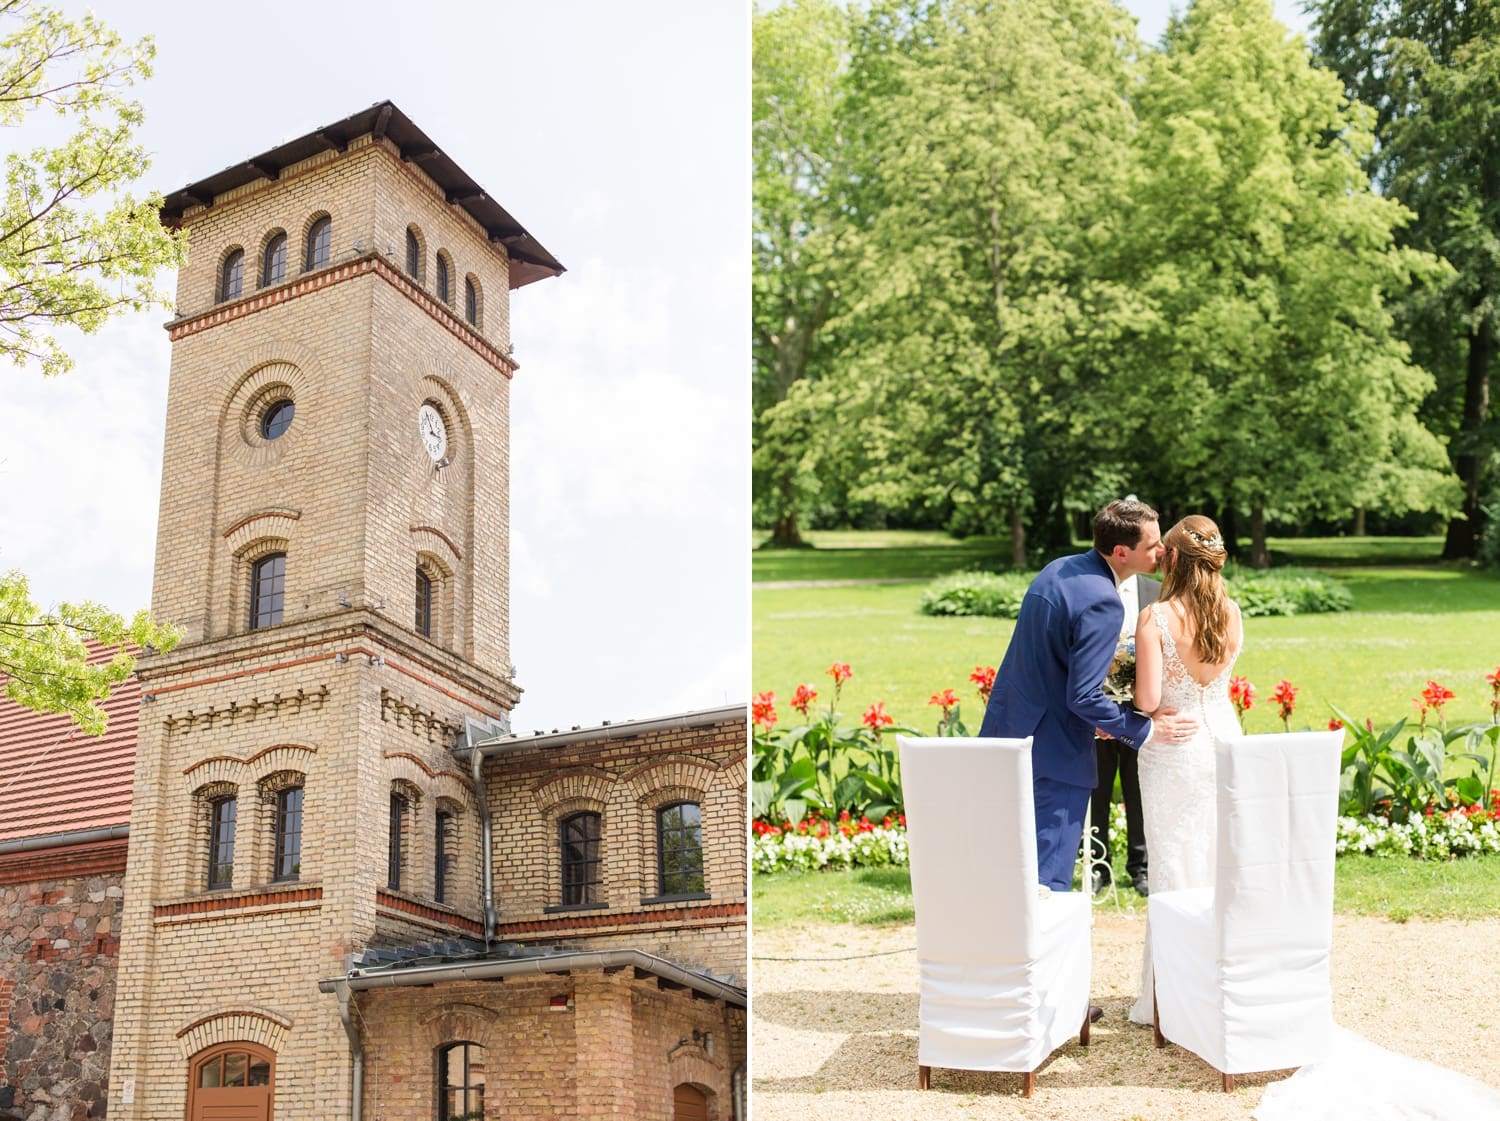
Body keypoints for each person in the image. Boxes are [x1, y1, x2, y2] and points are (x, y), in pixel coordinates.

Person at [978, 497, 1199, 896]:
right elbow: (1082, 696)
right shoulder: (1103, 601)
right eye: (1152, 546)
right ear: (1121, 552)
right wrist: (1144, 728)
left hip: (1006, 737)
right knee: (1047, 884)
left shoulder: (1056, 569)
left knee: (1005, 871)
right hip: (1054, 754)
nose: (1161, 551)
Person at [1125, 514, 1243, 1025]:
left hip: (1175, 749)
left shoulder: (1155, 618)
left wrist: (1126, 690)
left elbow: (1150, 699)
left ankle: (1171, 993)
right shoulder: (1233, 613)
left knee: (1176, 864)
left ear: (1171, 558)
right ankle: (1222, 978)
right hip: (1225, 744)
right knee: (1221, 861)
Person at [1089, 567, 1158, 897]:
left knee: (1139, 789)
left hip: (1141, 711)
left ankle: (1141, 866)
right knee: (1096, 789)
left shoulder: (1155, 592)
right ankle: (1097, 866)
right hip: (1094, 712)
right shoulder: (1089, 588)